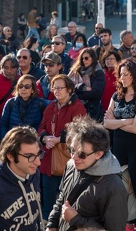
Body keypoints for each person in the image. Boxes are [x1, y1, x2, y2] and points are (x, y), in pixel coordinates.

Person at [45, 115, 128, 230]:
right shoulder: (71, 165)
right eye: (72, 150)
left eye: (82, 154)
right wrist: (52, 225)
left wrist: (76, 220)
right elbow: (62, 199)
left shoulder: (113, 187)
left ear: (99, 154)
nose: (74, 157)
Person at [103, 60, 136, 231]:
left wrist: (116, 122)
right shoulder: (116, 96)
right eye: (121, 74)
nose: (123, 78)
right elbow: (106, 124)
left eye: (127, 74)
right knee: (121, 187)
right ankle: (127, 223)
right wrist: (126, 121)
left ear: (135, 76)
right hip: (118, 147)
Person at [38, 74, 86, 221]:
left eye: (60, 88)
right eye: (54, 87)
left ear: (70, 89)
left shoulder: (77, 106)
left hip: (69, 161)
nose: (56, 90)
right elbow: (41, 128)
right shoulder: (51, 106)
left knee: (67, 203)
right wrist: (46, 138)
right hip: (48, 162)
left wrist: (59, 139)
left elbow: (81, 132)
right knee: (48, 204)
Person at [0, 74, 48, 139]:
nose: (23, 89)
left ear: (33, 89)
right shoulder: (10, 103)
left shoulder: (41, 104)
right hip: (14, 141)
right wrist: (5, 139)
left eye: (27, 87)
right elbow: (3, 124)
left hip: (32, 142)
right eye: (20, 86)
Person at [68, 48, 105, 121]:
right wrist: (82, 87)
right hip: (75, 107)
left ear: (93, 58)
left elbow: (95, 93)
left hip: (92, 109)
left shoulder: (98, 73)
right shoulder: (76, 71)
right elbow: (68, 86)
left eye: (86, 58)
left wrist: (78, 96)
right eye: (82, 59)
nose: (84, 60)